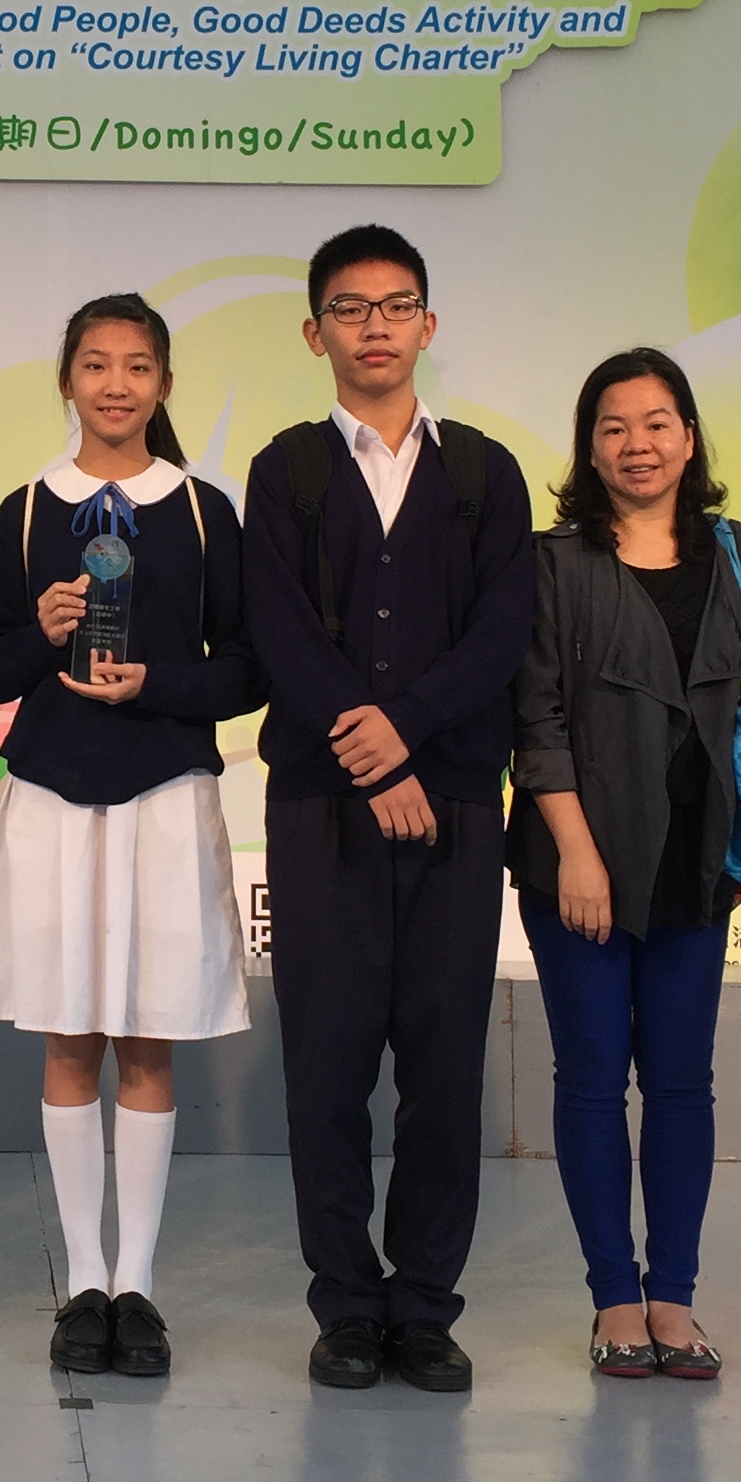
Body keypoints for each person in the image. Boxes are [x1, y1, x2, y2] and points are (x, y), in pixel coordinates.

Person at [240, 226, 536, 1395]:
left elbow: (502, 632)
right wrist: (372, 761)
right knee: (325, 1064)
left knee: (445, 1066)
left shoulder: (484, 474)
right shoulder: (287, 470)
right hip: (323, 807)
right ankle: (346, 1307)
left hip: (455, 802)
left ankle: (423, 1306)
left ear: (428, 324)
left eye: (396, 305)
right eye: (350, 309)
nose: (375, 326)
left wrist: (404, 733)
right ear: (314, 332)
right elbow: (278, 630)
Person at [0, 294, 264, 1380]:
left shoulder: (202, 511)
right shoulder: (22, 512)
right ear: (67, 379)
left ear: (164, 384)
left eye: (137, 366)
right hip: (52, 795)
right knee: (68, 1039)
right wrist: (41, 632)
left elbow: (248, 669)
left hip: (165, 792)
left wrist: (161, 686)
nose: (115, 385)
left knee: (147, 1038)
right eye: (95, 365)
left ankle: (136, 1286)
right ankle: (84, 1282)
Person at [508, 348, 741, 1384]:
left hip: (698, 861)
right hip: (578, 860)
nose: (638, 444)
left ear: (690, 437)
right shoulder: (552, 564)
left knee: (679, 1084)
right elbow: (534, 719)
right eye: (614, 427)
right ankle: (614, 1299)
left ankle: (675, 1297)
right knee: (589, 1080)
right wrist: (577, 853)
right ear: (589, 448)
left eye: (658, 422)